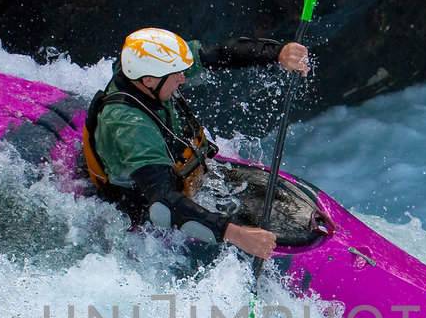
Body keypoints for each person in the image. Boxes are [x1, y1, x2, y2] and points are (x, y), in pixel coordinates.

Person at [82, 27, 310, 257]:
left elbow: (219, 53)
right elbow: (163, 205)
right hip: (141, 211)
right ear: (149, 80)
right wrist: (238, 236)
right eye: (177, 75)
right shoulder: (131, 127)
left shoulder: (146, 68)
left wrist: (278, 53)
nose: (183, 78)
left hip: (183, 179)